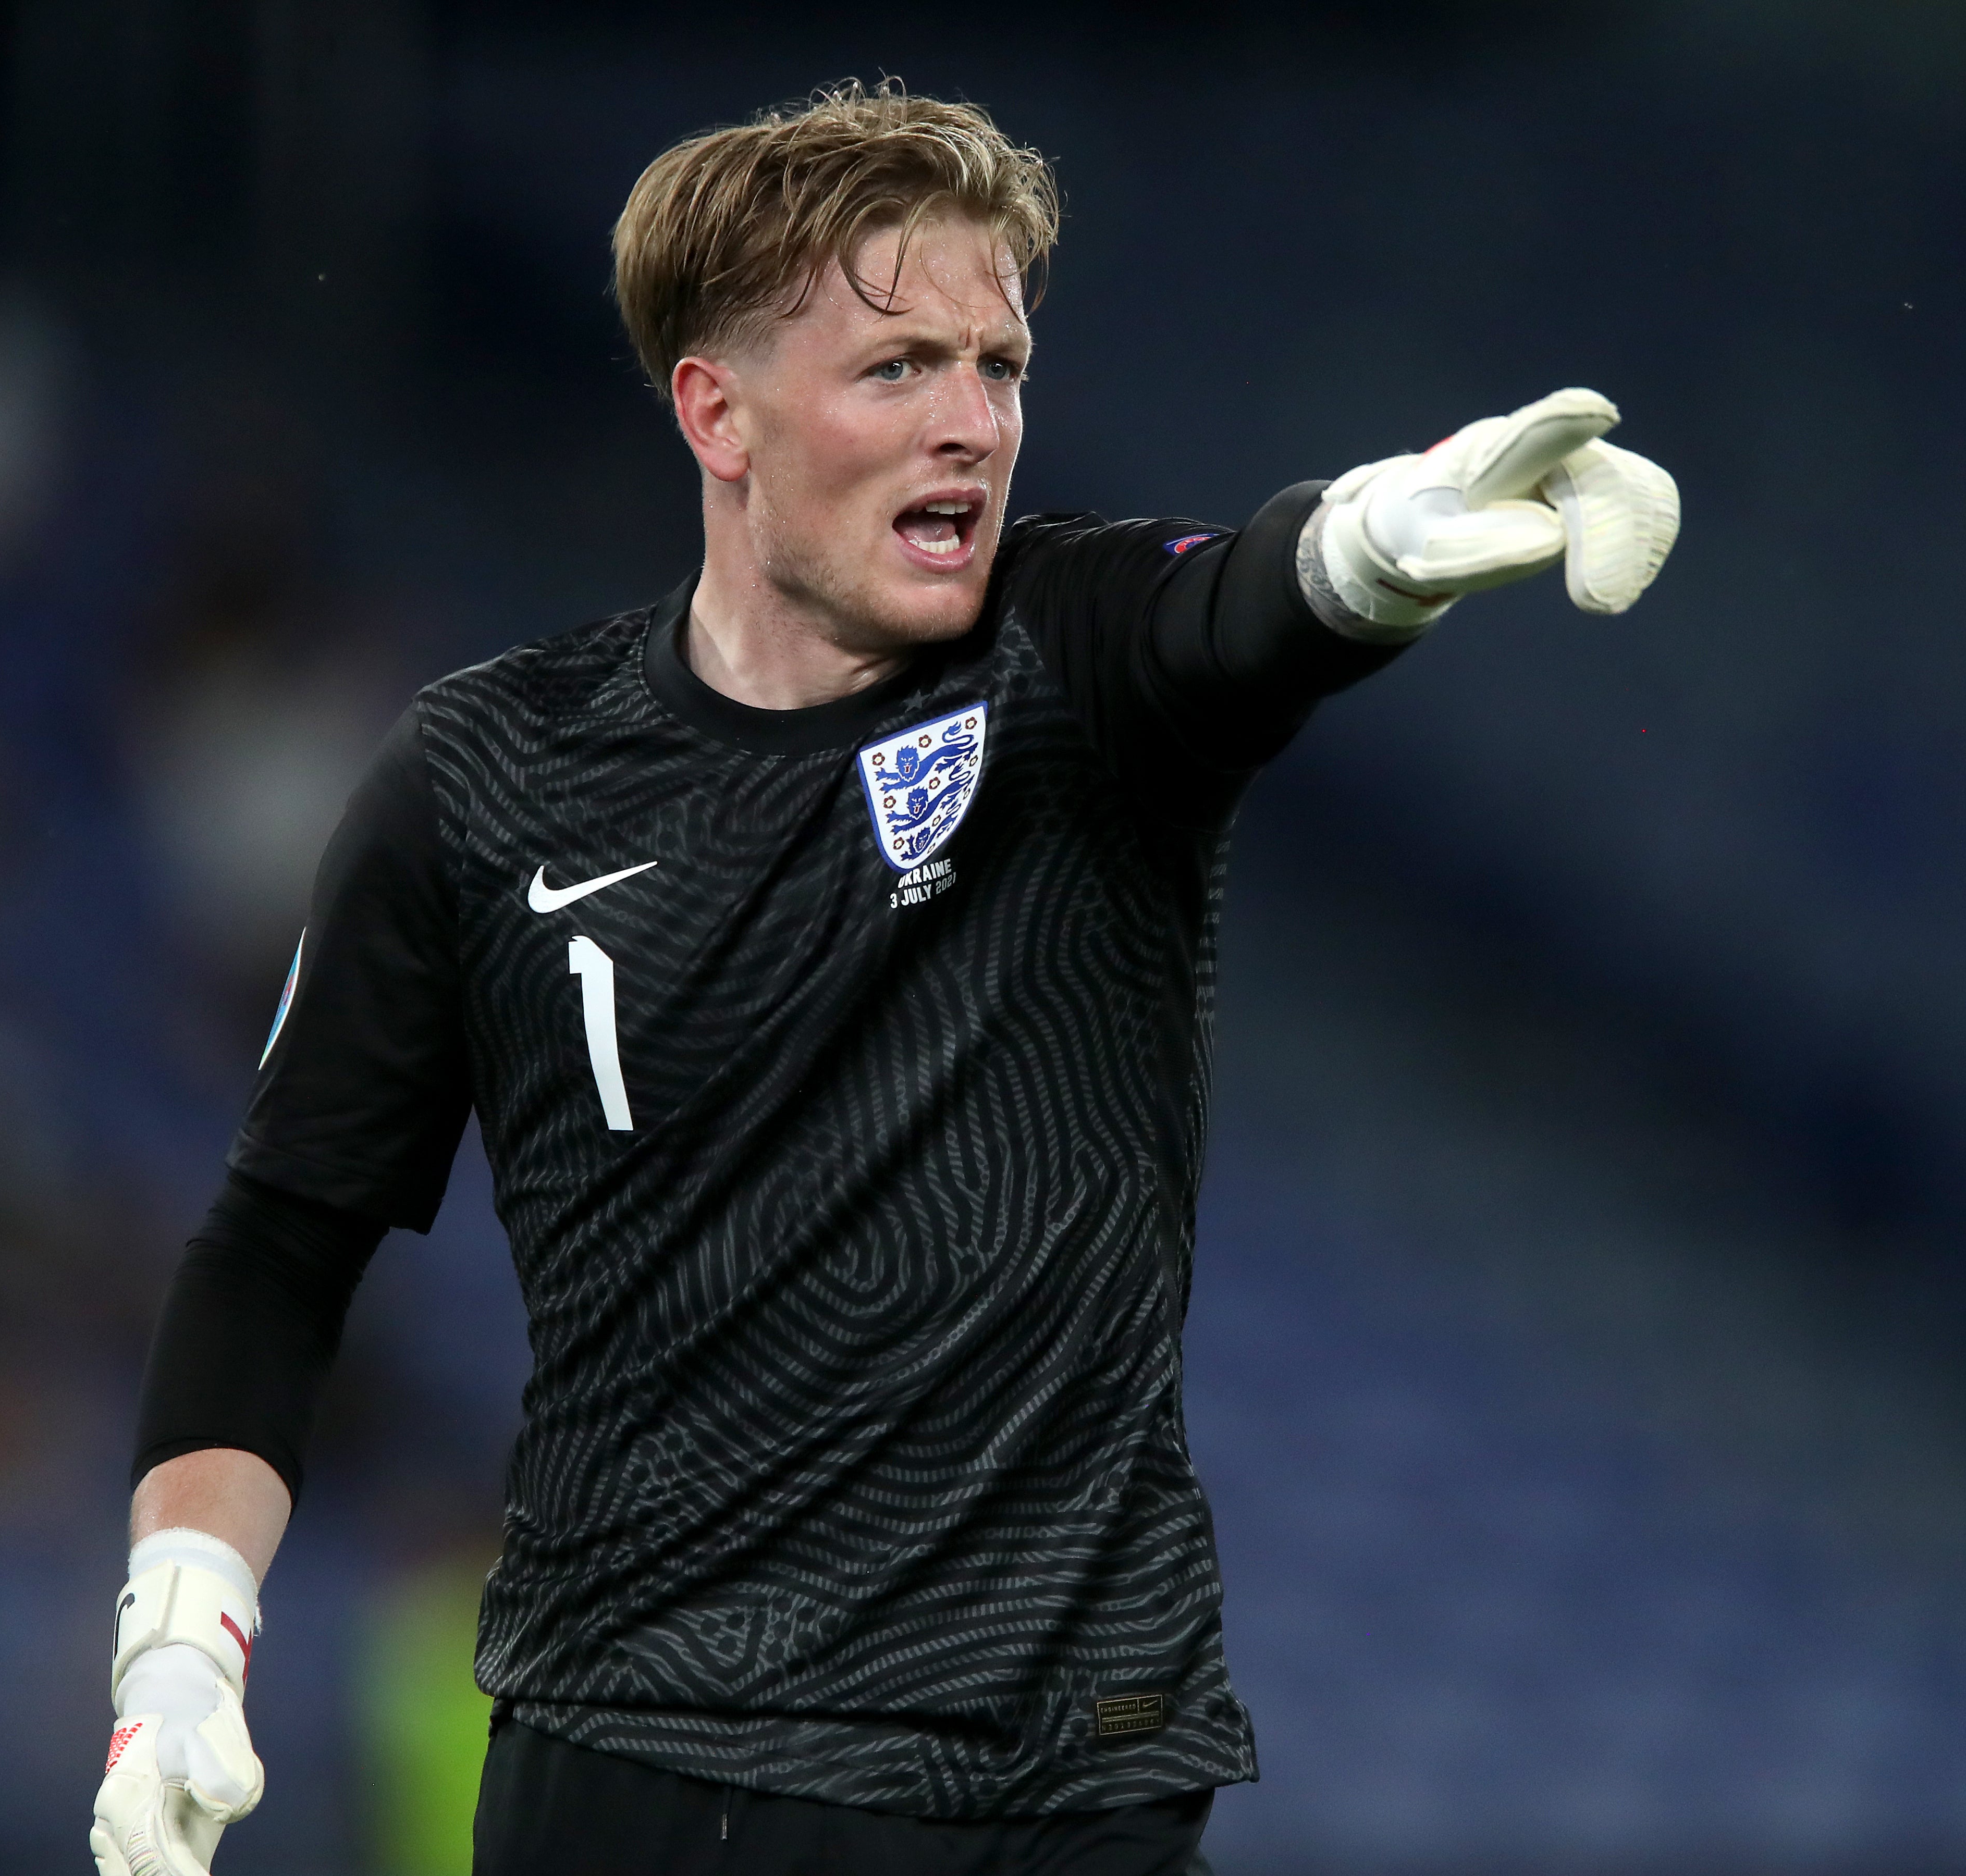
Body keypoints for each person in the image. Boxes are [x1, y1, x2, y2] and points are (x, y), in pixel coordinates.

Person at [90, 78, 1678, 1876]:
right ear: (720, 412)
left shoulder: (1072, 653)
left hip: (1081, 1771)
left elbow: (1244, 609)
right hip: (657, 1762)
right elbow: (282, 1241)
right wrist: (179, 1642)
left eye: (997, 367)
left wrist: (1383, 543)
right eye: (899, 367)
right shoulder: (484, 780)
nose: (974, 426)